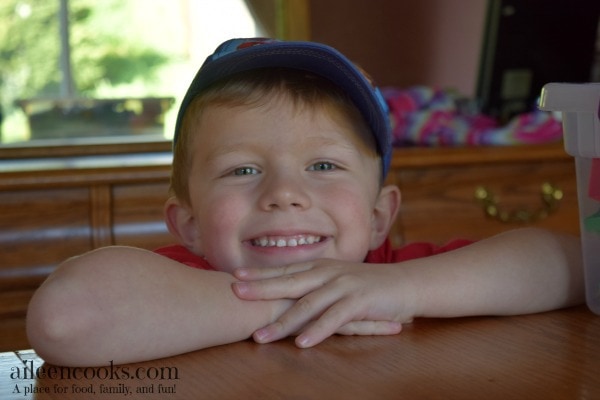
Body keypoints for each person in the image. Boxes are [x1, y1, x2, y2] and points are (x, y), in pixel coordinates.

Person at [26, 38, 585, 367]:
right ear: (188, 224)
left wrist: (401, 290)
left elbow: (575, 263)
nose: (285, 194)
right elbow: (65, 317)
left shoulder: (392, 274)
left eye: (323, 166)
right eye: (243, 169)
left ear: (377, 218)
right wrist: (296, 305)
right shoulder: (183, 281)